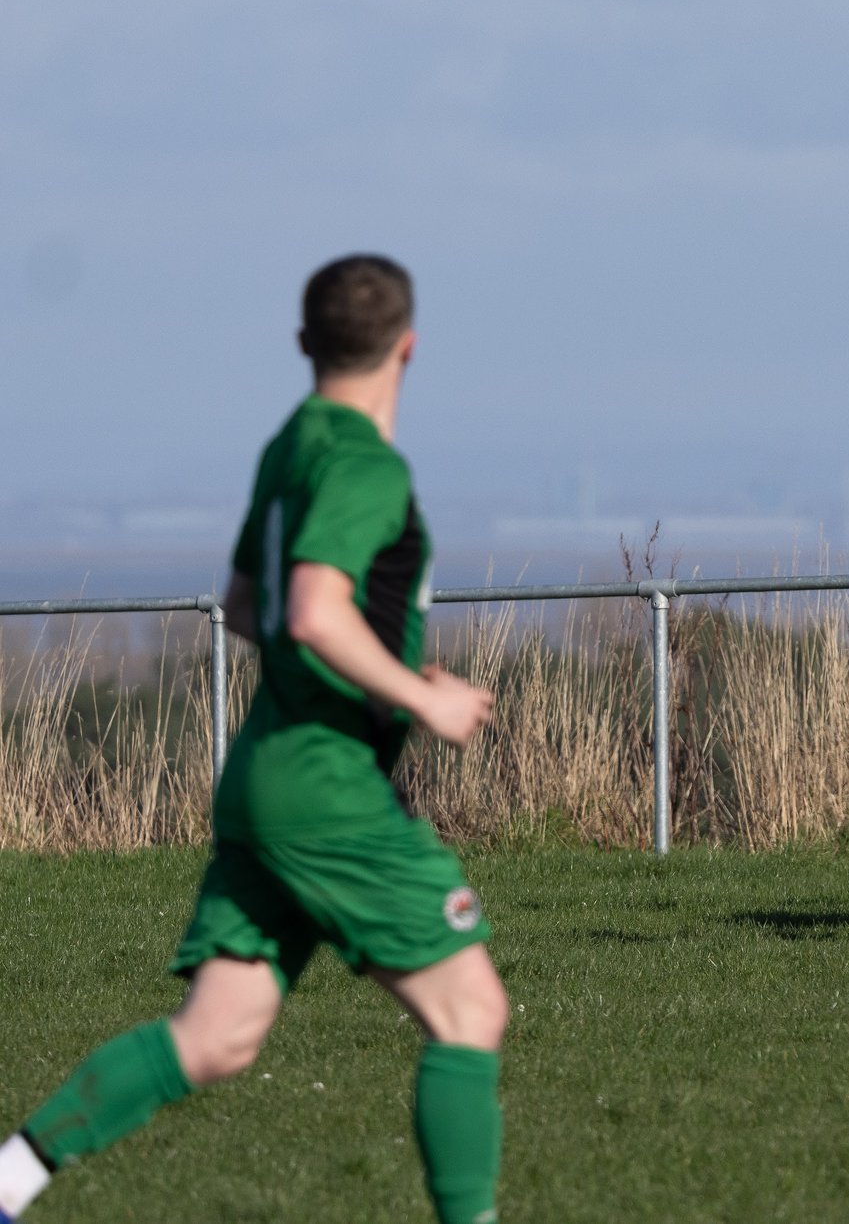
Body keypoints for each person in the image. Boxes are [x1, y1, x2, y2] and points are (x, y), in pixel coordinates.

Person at [0, 255, 508, 1224]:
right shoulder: (363, 459)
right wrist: (423, 697)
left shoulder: (291, 445)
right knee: (470, 1009)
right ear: (409, 346)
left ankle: (9, 1180)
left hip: (261, 776)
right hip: (327, 783)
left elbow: (248, 604)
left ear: (303, 345)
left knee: (220, 1034)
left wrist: (394, 671)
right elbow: (313, 610)